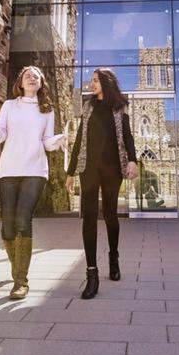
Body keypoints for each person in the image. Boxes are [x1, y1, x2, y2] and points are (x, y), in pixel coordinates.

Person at [0, 66, 65, 299]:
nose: (31, 77)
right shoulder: (9, 105)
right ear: (20, 81)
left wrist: (58, 140)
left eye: (36, 75)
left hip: (35, 170)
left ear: (41, 83)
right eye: (27, 75)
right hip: (9, 170)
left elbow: (47, 142)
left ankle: (21, 281)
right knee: (8, 227)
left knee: (23, 220)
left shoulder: (47, 110)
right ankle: (16, 264)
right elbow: (0, 136)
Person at [65, 68, 138, 299]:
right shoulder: (88, 107)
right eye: (91, 80)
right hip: (89, 169)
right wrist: (70, 171)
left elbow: (127, 136)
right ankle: (91, 274)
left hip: (113, 169)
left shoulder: (118, 107)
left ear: (106, 82)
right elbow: (78, 139)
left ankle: (113, 257)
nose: (91, 84)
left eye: (95, 80)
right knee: (88, 216)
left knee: (110, 215)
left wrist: (133, 160)